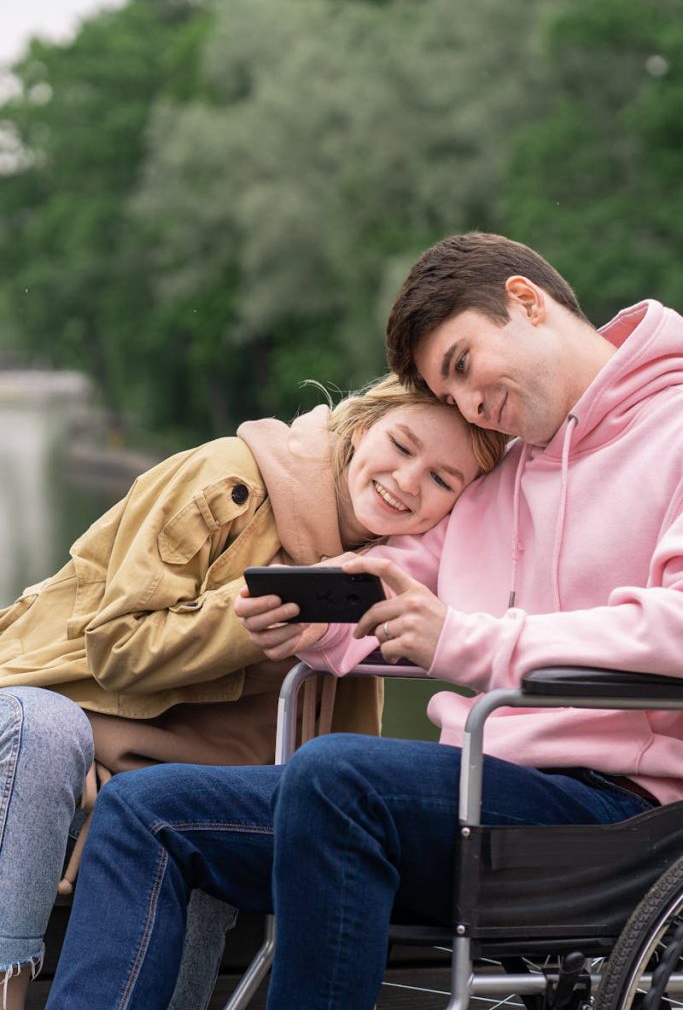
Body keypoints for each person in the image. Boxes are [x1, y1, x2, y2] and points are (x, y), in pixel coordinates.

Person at [44, 232, 683, 1010]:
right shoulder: (497, 472)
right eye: (448, 397)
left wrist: (466, 641)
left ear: (525, 302)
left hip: (619, 820)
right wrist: (302, 613)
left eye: (460, 364)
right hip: (477, 799)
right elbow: (390, 581)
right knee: (148, 810)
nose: (471, 404)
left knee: (339, 774)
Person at [0, 371, 504, 1010]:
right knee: (49, 732)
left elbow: (331, 755)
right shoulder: (228, 479)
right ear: (358, 426)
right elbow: (116, 647)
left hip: (159, 779)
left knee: (194, 818)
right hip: (42, 720)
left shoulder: (390, 578)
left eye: (441, 480)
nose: (408, 481)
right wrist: (243, 618)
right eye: (402, 446)